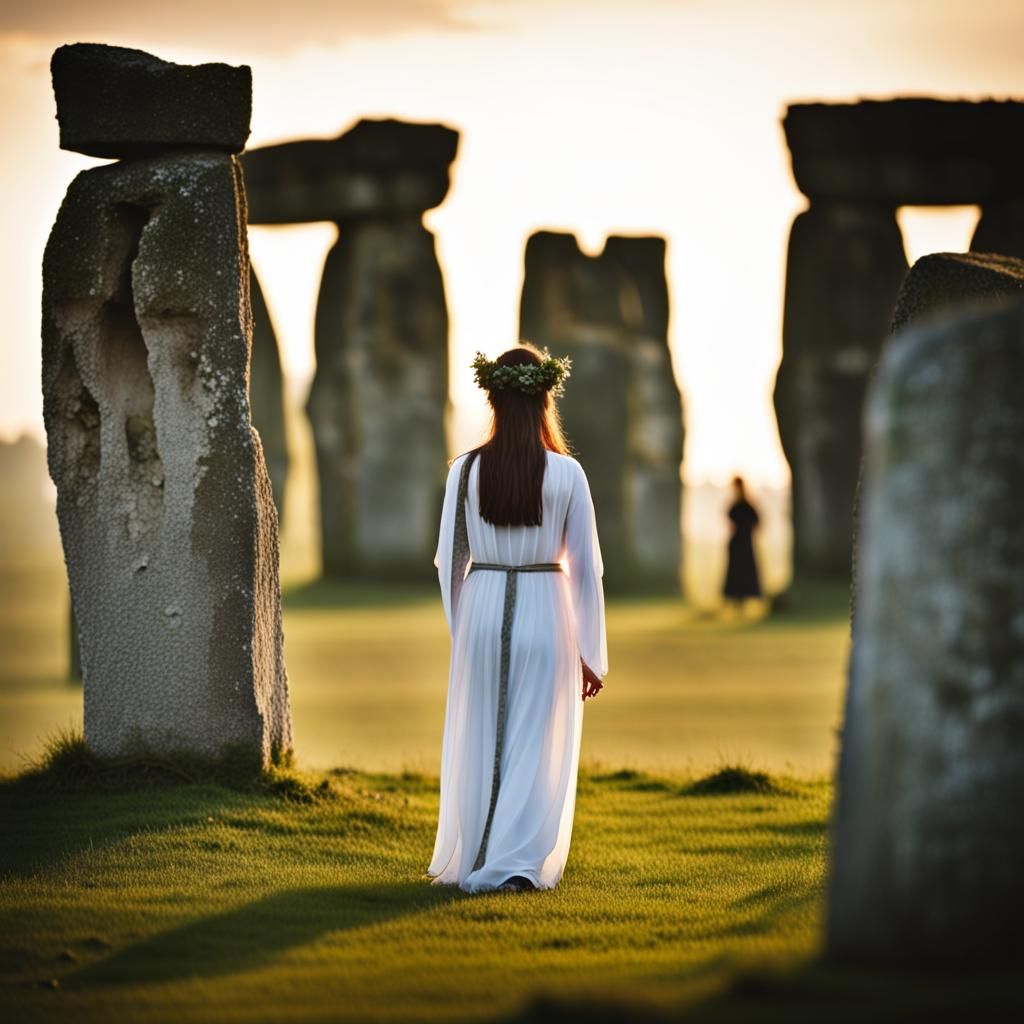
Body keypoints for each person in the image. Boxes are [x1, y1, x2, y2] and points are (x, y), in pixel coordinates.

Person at [428, 343, 607, 894]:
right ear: (545, 398)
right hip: (546, 608)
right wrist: (591, 653)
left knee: (482, 734)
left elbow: (448, 559)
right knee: (534, 739)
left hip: (482, 605)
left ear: (495, 399)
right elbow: (586, 568)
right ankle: (515, 864)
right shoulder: (567, 473)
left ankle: (479, 853)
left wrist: (464, 628)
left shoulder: (464, 472)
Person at [722, 475, 761, 609]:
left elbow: (756, 522)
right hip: (740, 542)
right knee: (737, 572)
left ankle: (741, 601)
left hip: (743, 542)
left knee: (742, 571)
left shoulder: (745, 505)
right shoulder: (742, 504)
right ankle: (736, 601)